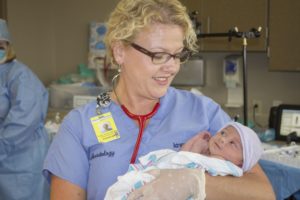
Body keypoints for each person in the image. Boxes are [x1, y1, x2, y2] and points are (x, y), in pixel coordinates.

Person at [43, 0, 275, 199]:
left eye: (177, 55)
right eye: (159, 55)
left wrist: (194, 181)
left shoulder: (204, 113)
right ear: (120, 51)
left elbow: (263, 193)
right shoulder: (79, 126)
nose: (172, 67)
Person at [105, 122, 263, 200]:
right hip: (153, 178)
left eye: (233, 144)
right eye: (223, 133)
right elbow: (182, 159)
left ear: (241, 163)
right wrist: (195, 145)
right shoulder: (205, 157)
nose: (223, 140)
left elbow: (189, 172)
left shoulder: (228, 169)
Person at [0, 19, 50, 199]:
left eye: (0, 45)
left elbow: (24, 121)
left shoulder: (20, 76)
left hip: (21, 160)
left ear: (7, 46)